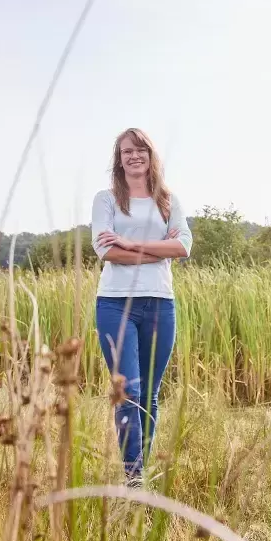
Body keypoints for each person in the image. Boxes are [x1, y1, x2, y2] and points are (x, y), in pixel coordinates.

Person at [90, 127, 193, 488]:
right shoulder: (106, 199)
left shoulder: (167, 200)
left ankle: (140, 468)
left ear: (151, 156)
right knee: (128, 390)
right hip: (116, 305)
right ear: (118, 160)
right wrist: (154, 248)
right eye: (126, 151)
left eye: (140, 150)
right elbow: (106, 252)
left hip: (160, 304)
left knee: (149, 391)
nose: (134, 156)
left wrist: (128, 242)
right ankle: (134, 479)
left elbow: (183, 247)